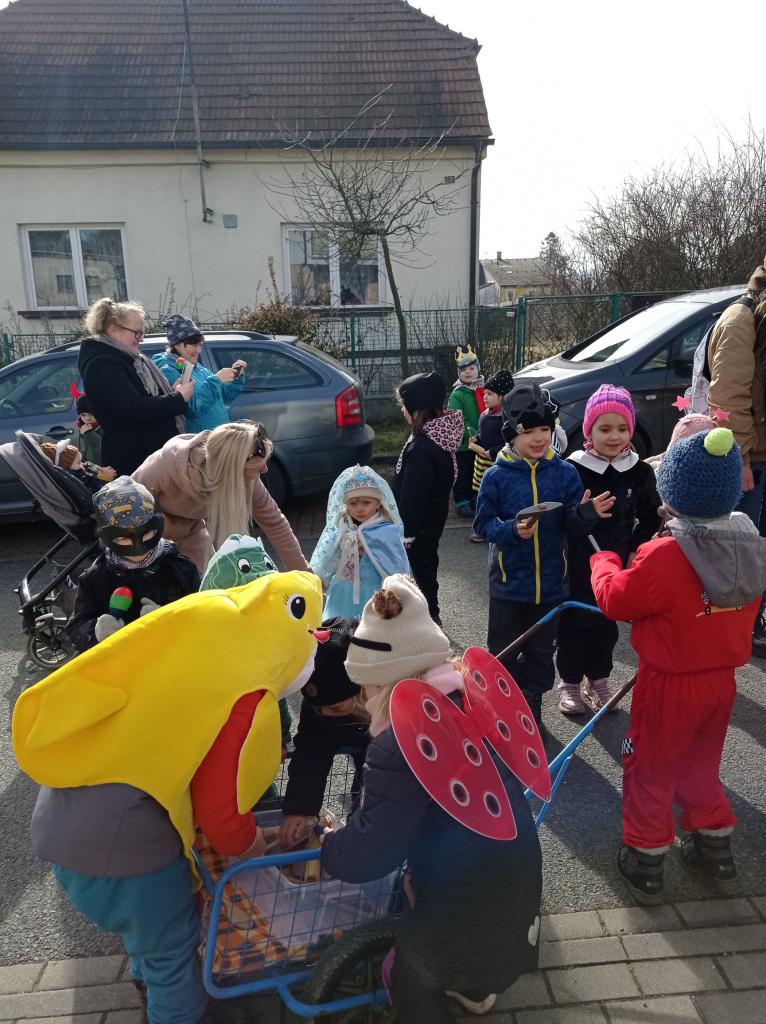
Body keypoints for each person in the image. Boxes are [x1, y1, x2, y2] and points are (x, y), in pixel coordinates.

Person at [16, 569, 323, 1024]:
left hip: (65, 821)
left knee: (151, 941)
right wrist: (252, 843)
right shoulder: (245, 693)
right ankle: (175, 1011)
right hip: (123, 843)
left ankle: (151, 995)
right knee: (173, 956)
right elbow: (220, 814)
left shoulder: (199, 645)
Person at [320, 575, 542, 1024]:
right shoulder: (470, 698)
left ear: (388, 684)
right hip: (519, 885)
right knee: (470, 945)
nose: (363, 700)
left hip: (463, 907)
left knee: (414, 975)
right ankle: (476, 989)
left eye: (367, 688)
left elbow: (375, 850)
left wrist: (330, 847)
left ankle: (444, 989)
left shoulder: (399, 745)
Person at [590, 427, 766, 905]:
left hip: (668, 685)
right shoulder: (750, 547)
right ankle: (715, 847)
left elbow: (616, 600)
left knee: (649, 767)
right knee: (699, 764)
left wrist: (604, 562)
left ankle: (646, 861)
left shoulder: (665, 555)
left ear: (673, 493)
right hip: (721, 684)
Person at [473, 382, 613, 726]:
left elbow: (572, 527)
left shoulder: (564, 473)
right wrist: (511, 530)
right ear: (512, 435)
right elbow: (483, 525)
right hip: (508, 587)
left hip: (550, 587)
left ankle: (531, 706)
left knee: (539, 655)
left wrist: (586, 513)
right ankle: (504, 712)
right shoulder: (496, 476)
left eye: (545, 430)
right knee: (504, 654)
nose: (538, 438)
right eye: (528, 431)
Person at [556, 385, 660, 715]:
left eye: (622, 428)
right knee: (574, 620)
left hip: (618, 563)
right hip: (579, 563)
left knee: (606, 622)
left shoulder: (640, 471)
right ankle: (569, 681)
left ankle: (598, 679)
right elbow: (563, 519)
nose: (614, 436)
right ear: (589, 431)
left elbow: (650, 516)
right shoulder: (574, 469)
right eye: (604, 429)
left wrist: (636, 549)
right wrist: (583, 515)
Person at [132, 420, 308, 575]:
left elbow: (275, 522)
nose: (265, 470)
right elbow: (127, 509)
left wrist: (304, 573)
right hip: (145, 532)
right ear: (232, 470)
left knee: (207, 584)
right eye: (258, 467)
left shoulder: (248, 479)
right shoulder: (163, 467)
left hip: (191, 530)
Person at [66, 477, 200, 652]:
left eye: (147, 534)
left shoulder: (180, 569)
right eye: (123, 538)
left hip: (171, 657)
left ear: (158, 525)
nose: (138, 548)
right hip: (123, 663)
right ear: (107, 536)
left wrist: (168, 620)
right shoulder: (95, 578)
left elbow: (200, 615)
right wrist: (96, 631)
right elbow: (75, 628)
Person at [707, 263, 766, 653]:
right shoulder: (742, 319)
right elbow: (726, 399)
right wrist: (740, 457)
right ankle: (737, 624)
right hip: (752, 458)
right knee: (743, 547)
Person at [278, 616, 369, 846]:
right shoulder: (320, 708)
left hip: (373, 742)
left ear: (363, 691)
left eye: (336, 708)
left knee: (369, 787)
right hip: (359, 731)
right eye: (318, 708)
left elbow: (383, 778)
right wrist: (300, 809)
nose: (325, 714)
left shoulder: (386, 703)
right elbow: (310, 754)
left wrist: (364, 825)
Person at [78, 298, 193, 475]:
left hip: (147, 457)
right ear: (113, 330)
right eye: (136, 333)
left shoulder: (128, 358)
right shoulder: (103, 365)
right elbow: (133, 408)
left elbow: (143, 398)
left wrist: (171, 392)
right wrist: (177, 399)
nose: (141, 338)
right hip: (133, 460)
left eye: (142, 332)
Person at [392, 372, 463, 624]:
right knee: (427, 566)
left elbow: (414, 496)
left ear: (417, 409)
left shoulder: (421, 448)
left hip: (417, 527)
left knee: (420, 571)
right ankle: (429, 614)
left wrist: (406, 534)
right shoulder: (437, 436)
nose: (402, 411)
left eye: (404, 406)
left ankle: (429, 617)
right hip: (432, 519)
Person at [310, 464, 410, 618]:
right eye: (353, 503)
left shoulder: (387, 531)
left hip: (375, 592)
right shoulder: (342, 528)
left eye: (366, 502)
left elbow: (397, 563)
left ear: (378, 503)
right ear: (346, 504)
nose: (360, 509)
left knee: (373, 629)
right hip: (343, 592)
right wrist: (320, 578)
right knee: (341, 627)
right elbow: (331, 556)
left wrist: (398, 589)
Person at [152, 313, 246, 433]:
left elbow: (224, 396)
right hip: (199, 440)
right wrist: (216, 380)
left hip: (216, 438)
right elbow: (193, 407)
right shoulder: (169, 371)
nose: (199, 350)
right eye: (194, 345)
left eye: (200, 345)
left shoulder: (197, 368)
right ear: (177, 344)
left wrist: (236, 378)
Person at [469, 368, 515, 542]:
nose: (485, 397)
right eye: (484, 393)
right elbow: (483, 434)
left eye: (489, 394)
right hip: (481, 463)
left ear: (502, 397)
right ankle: (482, 525)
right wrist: (476, 439)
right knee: (481, 495)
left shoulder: (505, 417)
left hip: (497, 463)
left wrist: (494, 451)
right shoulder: (484, 415)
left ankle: (493, 527)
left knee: (495, 496)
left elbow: (509, 442)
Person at [447, 346, 485, 519]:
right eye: (463, 370)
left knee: (478, 470)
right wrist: (475, 433)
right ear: (459, 373)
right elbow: (457, 418)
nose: (468, 372)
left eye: (472, 368)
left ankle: (475, 498)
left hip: (481, 440)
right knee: (464, 471)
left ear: (478, 369)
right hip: (464, 443)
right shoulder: (458, 394)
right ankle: (461, 500)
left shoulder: (483, 389)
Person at [39, 441, 115, 494]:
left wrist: (100, 472)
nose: (82, 464)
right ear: (66, 466)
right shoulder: (75, 480)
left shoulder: (78, 472)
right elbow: (93, 493)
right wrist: (104, 479)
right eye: (78, 463)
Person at [70, 389, 106, 466]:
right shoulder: (88, 429)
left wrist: (89, 434)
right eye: (83, 415)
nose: (87, 418)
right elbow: (89, 450)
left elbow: (103, 451)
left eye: (91, 414)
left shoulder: (106, 428)